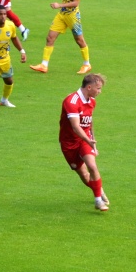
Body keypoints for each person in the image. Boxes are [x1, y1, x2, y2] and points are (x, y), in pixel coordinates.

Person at [29, 0, 91, 75]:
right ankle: (44, 65)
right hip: (62, 14)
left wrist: (59, 5)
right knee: (50, 37)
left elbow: (76, 3)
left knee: (79, 40)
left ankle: (87, 64)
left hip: (73, 16)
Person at [60, 73, 109, 211]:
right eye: (98, 88)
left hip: (84, 140)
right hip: (69, 142)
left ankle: (98, 201)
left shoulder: (91, 101)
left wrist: (92, 142)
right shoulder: (71, 102)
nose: (100, 92)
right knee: (84, 173)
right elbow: (76, 127)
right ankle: (98, 189)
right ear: (89, 87)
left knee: (92, 167)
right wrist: (89, 140)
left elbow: (89, 122)